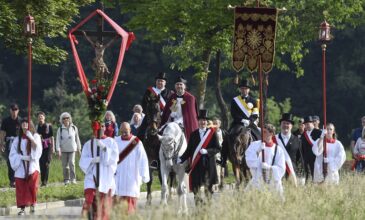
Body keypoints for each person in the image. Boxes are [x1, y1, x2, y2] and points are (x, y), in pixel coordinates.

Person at [178, 109, 220, 206]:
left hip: (208, 164)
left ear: (206, 122)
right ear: (198, 121)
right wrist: (181, 158)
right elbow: (189, 150)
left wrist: (207, 151)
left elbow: (217, 148)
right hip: (196, 165)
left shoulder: (212, 133)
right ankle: (198, 205)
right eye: (201, 120)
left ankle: (207, 207)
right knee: (196, 188)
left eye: (204, 120)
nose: (202, 122)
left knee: (208, 188)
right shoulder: (193, 135)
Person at [79, 122, 119, 219]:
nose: (100, 129)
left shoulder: (111, 142)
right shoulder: (89, 143)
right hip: (91, 178)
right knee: (88, 202)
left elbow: (115, 158)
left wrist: (105, 148)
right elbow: (82, 161)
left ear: (105, 128)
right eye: (97, 127)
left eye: (102, 126)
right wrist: (92, 160)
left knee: (103, 208)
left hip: (106, 178)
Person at [114, 122, 149, 214]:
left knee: (130, 208)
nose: (124, 133)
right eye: (122, 131)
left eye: (126, 131)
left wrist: (144, 174)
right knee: (118, 206)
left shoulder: (136, 143)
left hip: (132, 178)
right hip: (119, 177)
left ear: (130, 130)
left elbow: (143, 159)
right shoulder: (115, 141)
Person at [9, 118, 42, 215]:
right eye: (23, 122)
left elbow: (37, 149)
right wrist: (20, 157)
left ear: (30, 124)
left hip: (32, 165)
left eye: (26, 122)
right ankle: (22, 208)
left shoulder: (35, 136)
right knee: (21, 186)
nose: (24, 124)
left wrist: (30, 137)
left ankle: (32, 205)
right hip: (21, 165)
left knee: (32, 186)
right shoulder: (17, 139)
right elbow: (12, 153)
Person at [245, 124, 286, 195]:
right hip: (257, 181)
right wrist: (257, 152)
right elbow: (249, 161)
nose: (262, 134)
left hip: (272, 184)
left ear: (271, 133)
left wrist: (269, 168)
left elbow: (281, 168)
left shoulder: (278, 150)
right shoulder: (254, 145)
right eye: (262, 131)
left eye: (265, 132)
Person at [161, 75, 199, 142]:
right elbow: (169, 112)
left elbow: (190, 115)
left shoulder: (190, 98)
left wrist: (179, 121)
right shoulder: (172, 97)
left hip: (185, 123)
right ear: (175, 86)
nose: (179, 86)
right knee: (160, 132)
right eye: (177, 84)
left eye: (181, 84)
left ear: (184, 86)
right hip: (172, 121)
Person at [274, 113, 305, 185]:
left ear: (291, 126)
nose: (285, 125)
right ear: (280, 125)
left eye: (288, 123)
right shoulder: (274, 139)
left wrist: (300, 177)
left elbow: (300, 160)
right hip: (277, 174)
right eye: (284, 123)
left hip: (292, 174)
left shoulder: (298, 141)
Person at [229, 79, 258, 146]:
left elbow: (255, 114)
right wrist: (242, 120)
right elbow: (233, 113)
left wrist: (250, 121)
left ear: (249, 90)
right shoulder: (235, 100)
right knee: (228, 136)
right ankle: (224, 155)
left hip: (250, 124)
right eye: (242, 88)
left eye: (246, 88)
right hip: (237, 123)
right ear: (240, 89)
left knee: (258, 135)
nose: (244, 90)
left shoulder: (253, 101)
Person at [55, 112, 81, 185]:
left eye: (67, 118)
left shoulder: (74, 128)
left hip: (72, 149)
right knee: (65, 166)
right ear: (62, 120)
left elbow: (77, 138)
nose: (66, 119)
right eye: (64, 118)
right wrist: (58, 150)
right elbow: (57, 140)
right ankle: (66, 179)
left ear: (70, 119)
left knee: (71, 163)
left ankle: (73, 179)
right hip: (63, 150)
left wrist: (79, 148)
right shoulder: (60, 129)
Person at [0, 103, 21, 187]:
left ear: (18, 111)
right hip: (9, 142)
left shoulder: (20, 120)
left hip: (18, 143)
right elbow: (2, 133)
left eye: (16, 110)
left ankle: (18, 179)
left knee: (19, 161)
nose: (14, 111)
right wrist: (1, 144)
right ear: (10, 111)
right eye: (13, 110)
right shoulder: (5, 121)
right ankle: (12, 180)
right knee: (10, 162)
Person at [301, 116, 322, 182]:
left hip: (316, 159)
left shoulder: (318, 132)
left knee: (316, 177)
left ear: (312, 123)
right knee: (307, 178)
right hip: (306, 159)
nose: (307, 126)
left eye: (308, 124)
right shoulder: (304, 135)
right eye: (305, 124)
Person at [36, 111, 54, 187]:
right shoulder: (37, 127)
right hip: (40, 147)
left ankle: (45, 181)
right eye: (39, 117)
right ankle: (42, 180)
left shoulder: (48, 126)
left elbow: (52, 137)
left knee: (46, 164)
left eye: (42, 117)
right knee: (41, 164)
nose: (41, 118)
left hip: (48, 147)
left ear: (44, 118)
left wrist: (53, 148)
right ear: (37, 118)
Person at [212, 117, 230, 186]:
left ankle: (221, 184)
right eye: (214, 123)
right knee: (217, 171)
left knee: (222, 173)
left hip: (223, 154)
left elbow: (227, 145)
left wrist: (227, 157)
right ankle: (217, 184)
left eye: (216, 123)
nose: (215, 125)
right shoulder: (211, 133)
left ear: (220, 124)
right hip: (215, 154)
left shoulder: (224, 133)